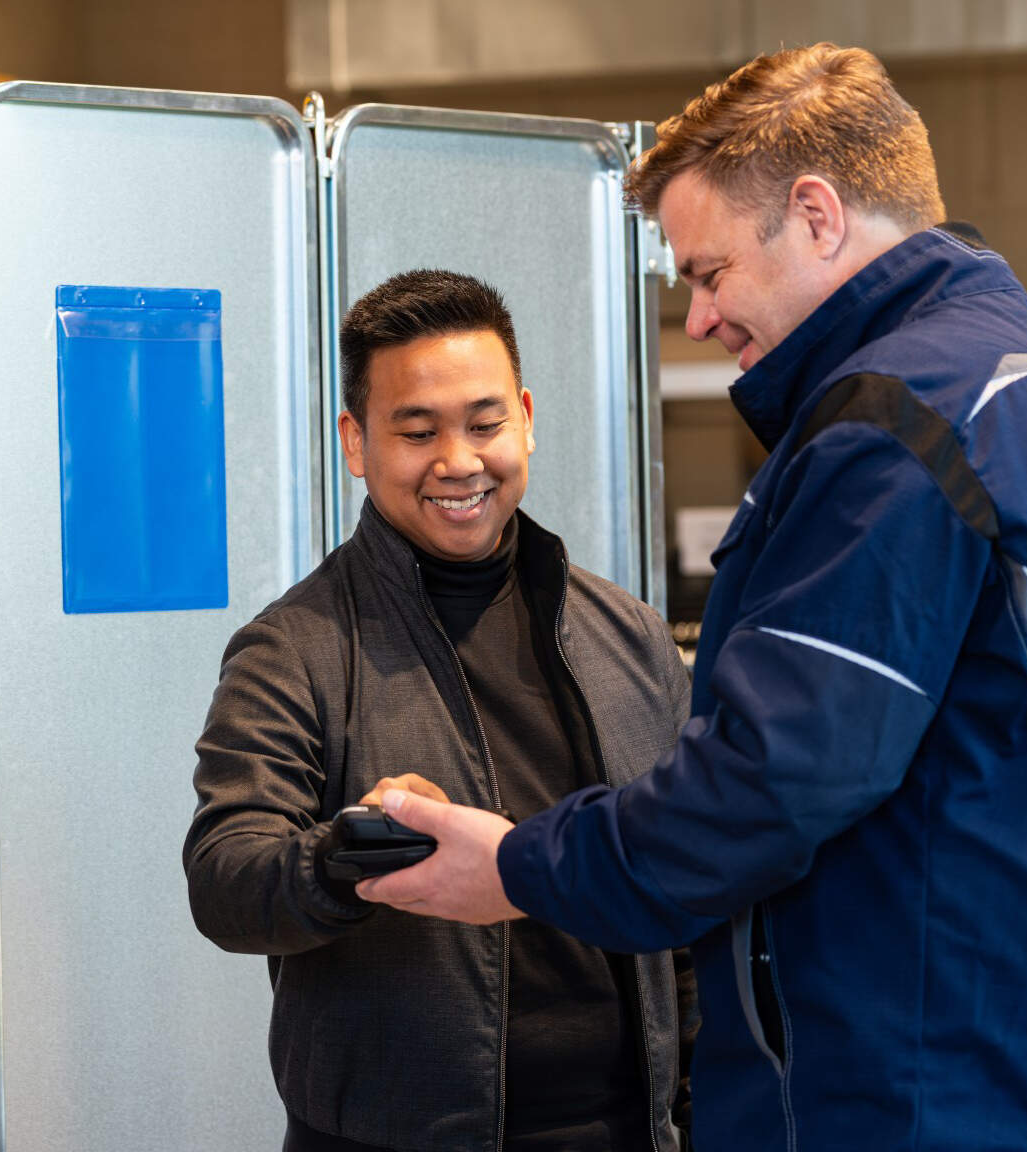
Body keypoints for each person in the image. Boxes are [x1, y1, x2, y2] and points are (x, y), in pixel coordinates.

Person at [355, 43, 1027, 1152]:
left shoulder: (897, 426)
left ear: (814, 215)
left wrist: (515, 866)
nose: (701, 319)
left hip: (947, 1089)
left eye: (709, 273)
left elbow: (768, 784)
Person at [184, 269, 696, 1151]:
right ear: (355, 441)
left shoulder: (630, 634)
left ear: (526, 419)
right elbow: (226, 876)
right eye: (417, 431)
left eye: (485, 423)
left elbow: (688, 876)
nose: (459, 461)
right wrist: (343, 854)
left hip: (635, 1127)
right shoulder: (296, 648)